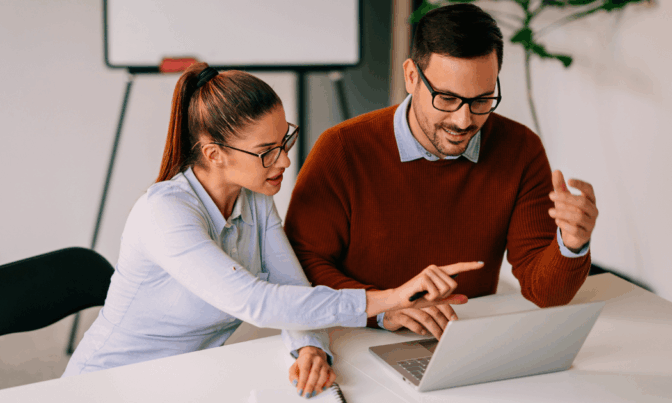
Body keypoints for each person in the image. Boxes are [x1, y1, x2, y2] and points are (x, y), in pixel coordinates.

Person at [63, 62, 484, 399]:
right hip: (107, 386)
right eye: (267, 152)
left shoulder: (254, 198)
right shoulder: (164, 214)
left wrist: (310, 348)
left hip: (186, 379)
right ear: (214, 154)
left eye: (285, 141)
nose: (284, 162)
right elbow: (256, 302)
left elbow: (291, 287)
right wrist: (386, 299)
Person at [284, 4, 599, 340]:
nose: (464, 121)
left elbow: (546, 293)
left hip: (462, 337)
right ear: (411, 77)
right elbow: (301, 267)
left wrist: (572, 244)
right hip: (358, 334)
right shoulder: (342, 149)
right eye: (447, 99)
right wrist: (383, 308)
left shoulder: (520, 148)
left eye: (482, 100)